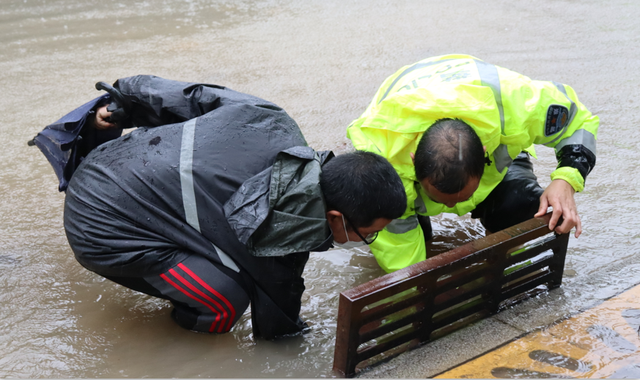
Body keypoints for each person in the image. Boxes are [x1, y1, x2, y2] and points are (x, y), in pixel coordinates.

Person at [31, 75, 407, 339]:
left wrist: (122, 104)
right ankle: (171, 339)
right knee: (225, 301)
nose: (367, 241)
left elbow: (191, 94)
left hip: (113, 160)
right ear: (336, 218)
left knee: (215, 245)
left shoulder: (274, 121)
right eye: (368, 234)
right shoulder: (280, 233)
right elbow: (278, 314)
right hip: (98, 222)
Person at [347, 54, 599, 273]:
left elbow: (578, 121)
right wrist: (413, 286)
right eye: (442, 199)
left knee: (519, 202)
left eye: (459, 198)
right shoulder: (382, 160)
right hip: (400, 135)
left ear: (484, 153)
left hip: (482, 109)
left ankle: (499, 245)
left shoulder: (516, 104)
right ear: (413, 162)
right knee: (405, 231)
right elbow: (400, 255)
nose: (452, 207)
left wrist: (566, 179)